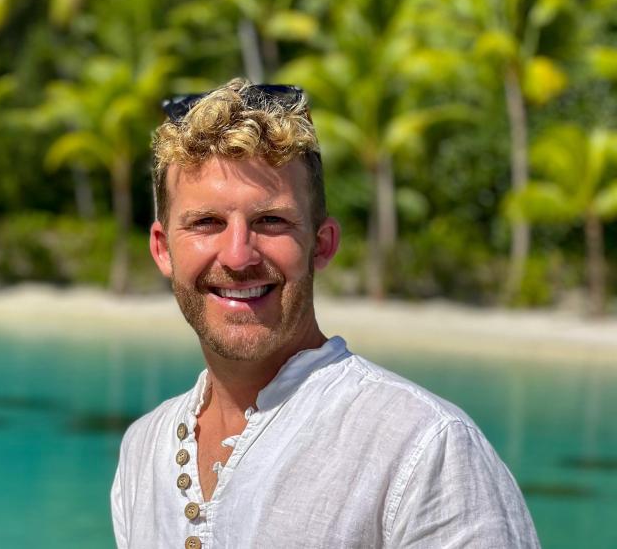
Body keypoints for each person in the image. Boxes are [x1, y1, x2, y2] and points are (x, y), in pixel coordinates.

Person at [110, 78, 539, 548]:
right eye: (206, 223)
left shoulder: (424, 447)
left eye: (270, 221)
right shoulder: (144, 449)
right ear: (162, 248)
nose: (238, 255)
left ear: (322, 244)